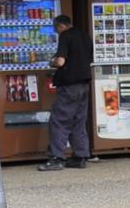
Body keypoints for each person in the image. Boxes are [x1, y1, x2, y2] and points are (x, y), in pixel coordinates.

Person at [39, 14, 93, 170]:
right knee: (79, 121)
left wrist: (52, 62)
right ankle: (80, 157)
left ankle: (56, 158)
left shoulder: (65, 36)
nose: (57, 32)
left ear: (60, 26)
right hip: (84, 85)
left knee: (59, 121)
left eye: (56, 29)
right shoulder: (84, 35)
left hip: (69, 86)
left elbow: (61, 61)